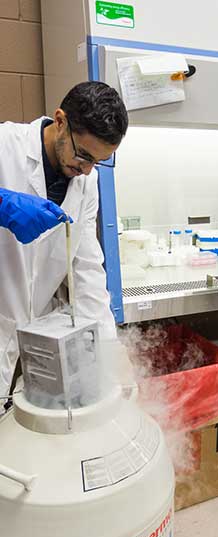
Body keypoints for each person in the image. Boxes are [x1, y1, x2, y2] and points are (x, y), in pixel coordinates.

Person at [0, 81, 128, 409]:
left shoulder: (87, 180)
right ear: (60, 121)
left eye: (99, 161)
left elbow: (87, 269)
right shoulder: (5, 145)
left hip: (32, 333)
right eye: (83, 155)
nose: (86, 169)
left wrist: (111, 360)